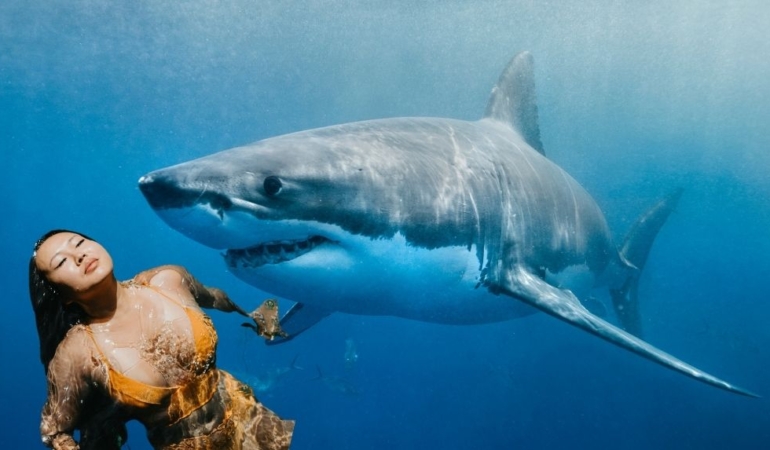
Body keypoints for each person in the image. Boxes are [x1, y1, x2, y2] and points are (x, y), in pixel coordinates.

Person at [29, 229, 294, 450]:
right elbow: (53, 430)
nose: (78, 255)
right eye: (61, 262)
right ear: (61, 296)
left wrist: (249, 315)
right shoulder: (76, 353)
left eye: (79, 243)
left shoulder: (169, 280)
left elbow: (213, 297)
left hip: (251, 420)